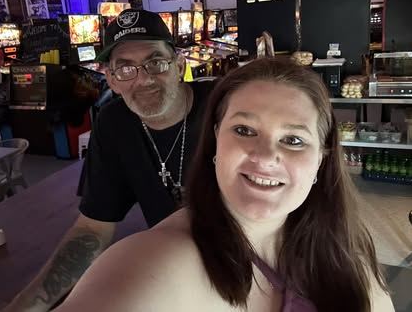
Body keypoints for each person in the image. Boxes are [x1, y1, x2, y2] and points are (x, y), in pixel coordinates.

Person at [53, 57, 394, 312]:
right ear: (216, 140)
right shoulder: (157, 262)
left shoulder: (342, 248)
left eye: (293, 140)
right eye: (244, 130)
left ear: (321, 157)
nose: (265, 156)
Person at [3, 9, 215, 312]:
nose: (144, 79)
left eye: (156, 62)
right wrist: (26, 306)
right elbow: (92, 229)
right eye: (126, 68)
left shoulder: (225, 106)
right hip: (176, 271)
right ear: (112, 80)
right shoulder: (114, 123)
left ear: (179, 65)